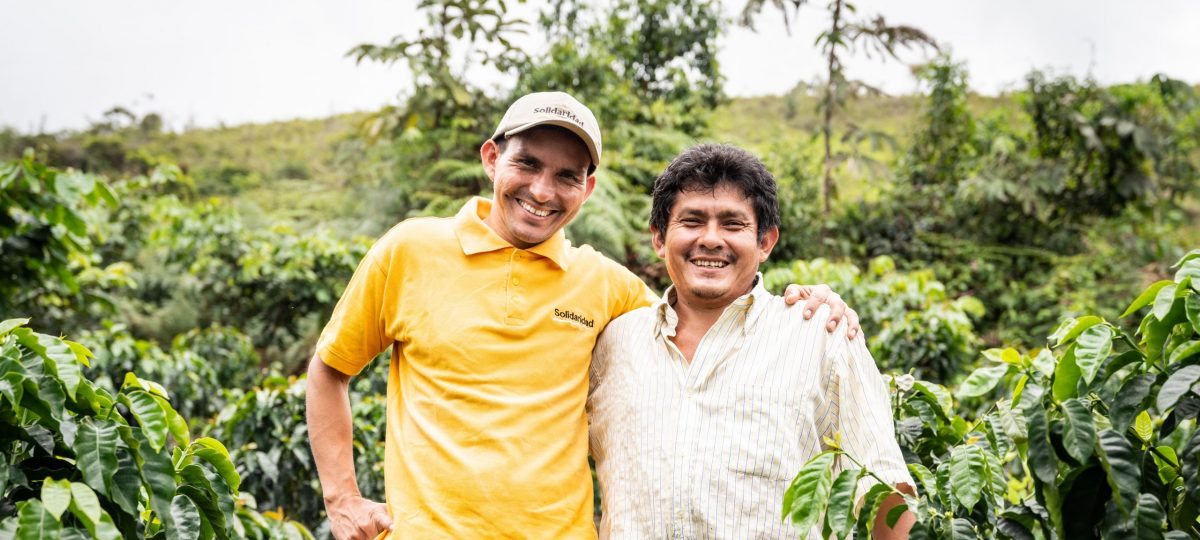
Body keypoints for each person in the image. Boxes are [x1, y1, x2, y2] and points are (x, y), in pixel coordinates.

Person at [306, 92, 861, 539]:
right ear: (492, 158)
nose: (543, 190)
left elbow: (697, 318)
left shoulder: (605, 286)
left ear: (587, 188)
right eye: (527, 163)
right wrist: (342, 497)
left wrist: (805, 302)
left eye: (568, 175)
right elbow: (330, 369)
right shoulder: (408, 251)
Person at [588, 143, 914, 539]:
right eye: (691, 221)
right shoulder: (612, 343)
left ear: (765, 242)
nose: (710, 239)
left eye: (732, 223)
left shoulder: (821, 335)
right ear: (659, 238)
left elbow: (885, 488)